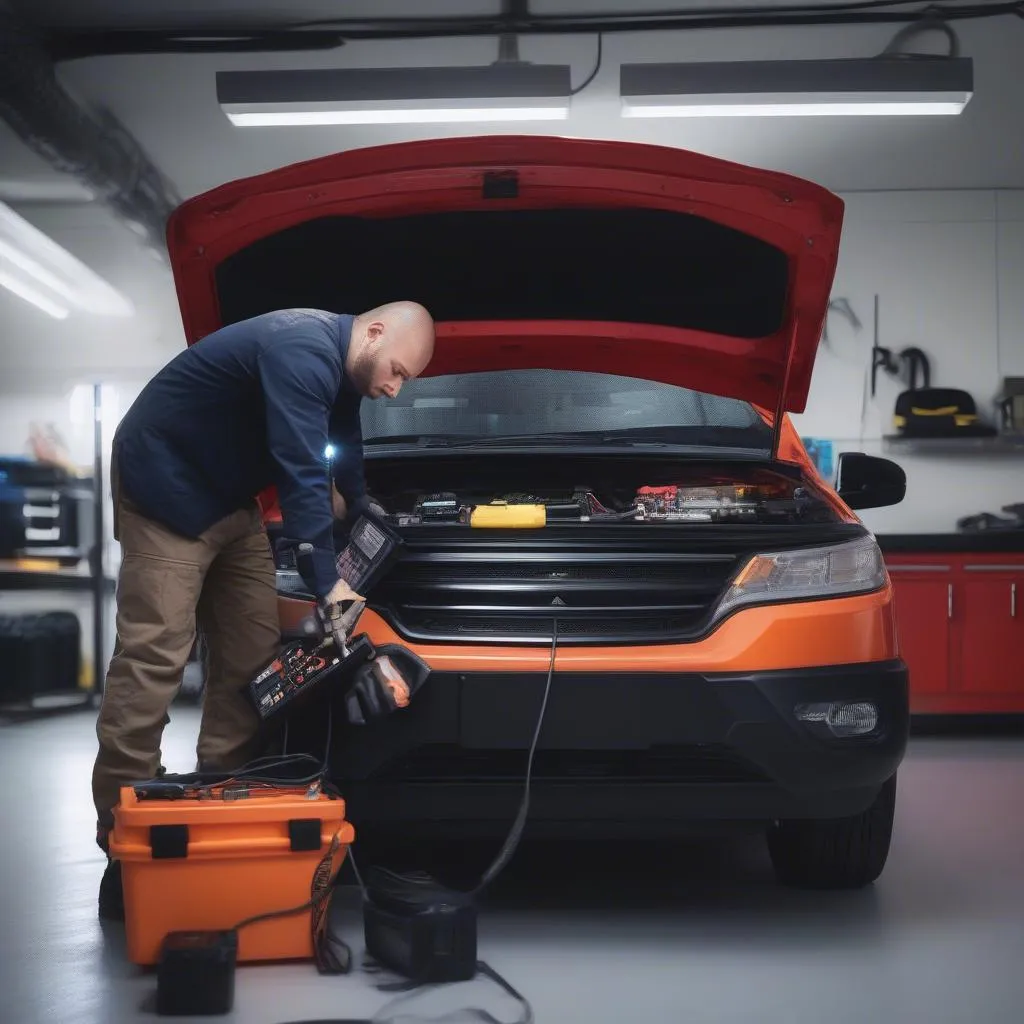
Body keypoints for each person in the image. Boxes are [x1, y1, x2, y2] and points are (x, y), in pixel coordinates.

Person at [92, 301, 435, 919]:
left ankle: (222, 808)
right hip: (164, 486)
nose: (393, 388)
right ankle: (123, 845)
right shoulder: (300, 348)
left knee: (253, 660)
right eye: (397, 372)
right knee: (154, 660)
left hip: (226, 497)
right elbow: (302, 468)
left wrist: (363, 506)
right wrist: (327, 583)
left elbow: (343, 444)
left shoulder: (343, 368)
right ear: (375, 332)